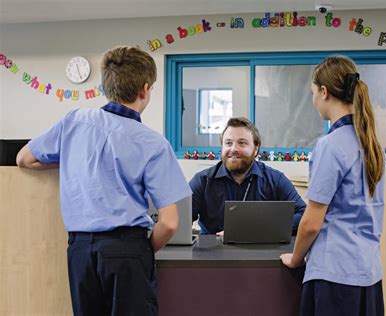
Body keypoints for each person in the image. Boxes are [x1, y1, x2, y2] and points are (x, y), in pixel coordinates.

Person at [16, 46, 192, 316]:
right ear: (145, 90)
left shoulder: (74, 121)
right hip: (127, 249)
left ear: (105, 86)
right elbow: (169, 223)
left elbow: (24, 159)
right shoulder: (153, 143)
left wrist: (71, 159)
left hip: (80, 251)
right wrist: (143, 251)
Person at [280, 56, 386, 316]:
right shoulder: (374, 145)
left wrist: (295, 259)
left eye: (313, 92)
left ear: (324, 92)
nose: (314, 99)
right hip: (369, 273)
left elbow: (312, 221)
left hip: (335, 276)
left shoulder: (331, 145)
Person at [189, 117, 306, 235]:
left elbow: (304, 214)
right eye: (228, 143)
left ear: (256, 149)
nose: (234, 149)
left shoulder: (275, 180)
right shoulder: (202, 181)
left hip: (260, 251)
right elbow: (180, 221)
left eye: (242, 143)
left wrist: (256, 230)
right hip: (212, 251)